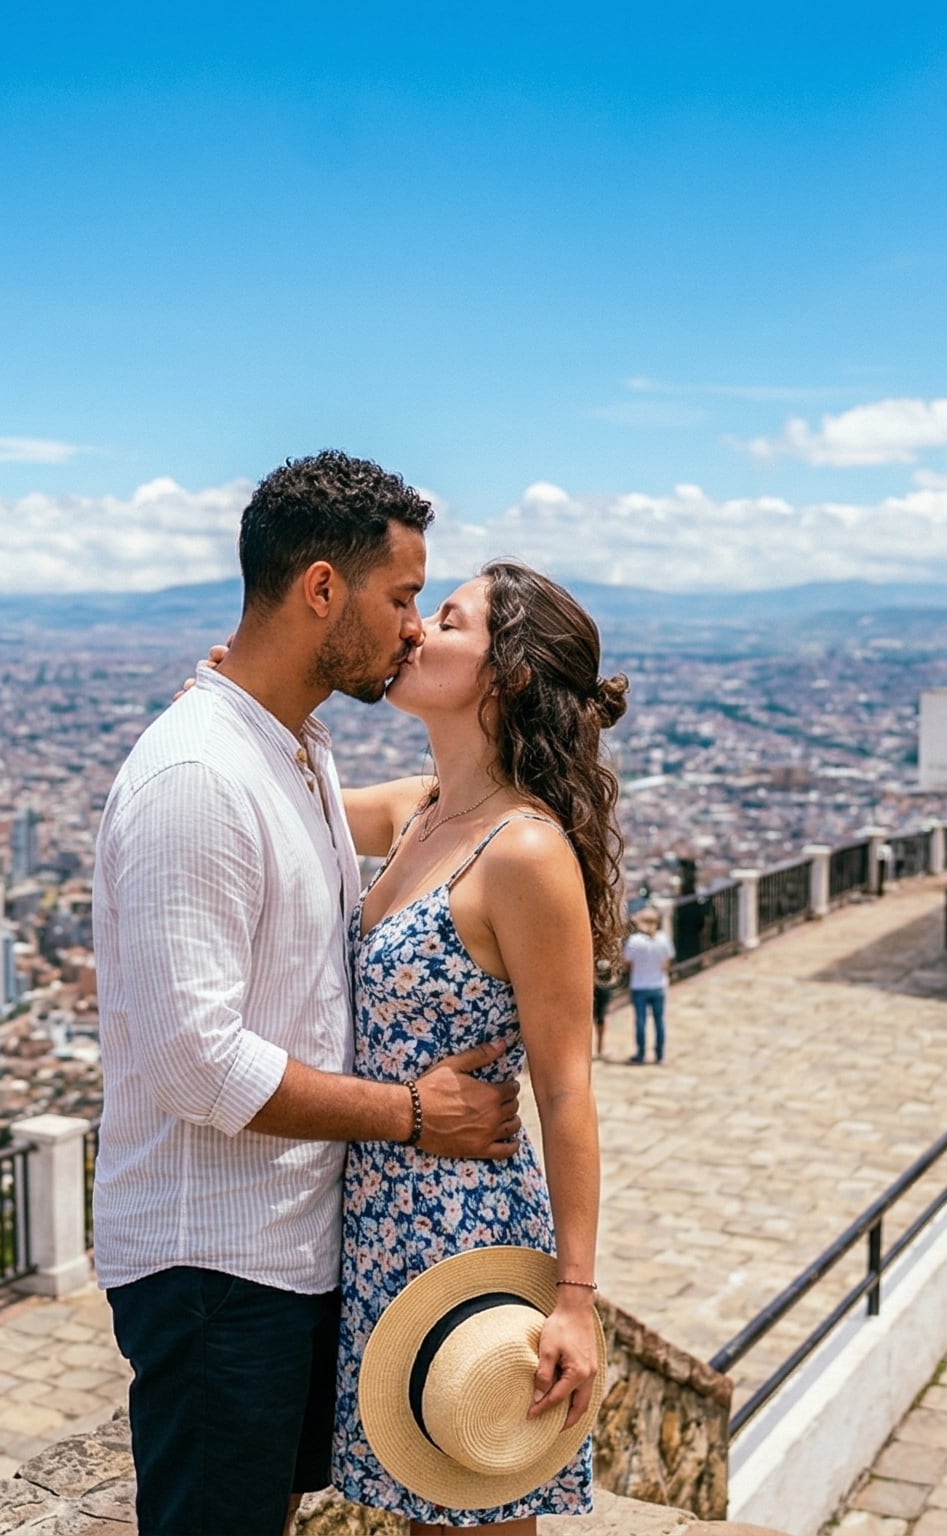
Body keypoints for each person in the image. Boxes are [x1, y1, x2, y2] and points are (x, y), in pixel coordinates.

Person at [94, 451, 524, 1536]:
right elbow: (196, 1064)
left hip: (277, 1255)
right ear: (321, 589)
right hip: (214, 1266)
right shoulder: (199, 777)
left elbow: (420, 807)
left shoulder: (289, 753)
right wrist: (415, 1116)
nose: (414, 627)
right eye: (399, 596)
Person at [325, 558, 624, 1531]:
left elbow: (567, 1091)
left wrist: (574, 1299)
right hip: (383, 1216)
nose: (415, 632)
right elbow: (288, 796)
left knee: (476, 1497)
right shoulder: (421, 811)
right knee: (422, 1506)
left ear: (508, 676)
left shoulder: (524, 853)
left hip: (464, 1222)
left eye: (446, 620)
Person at [621, 906, 671, 1065]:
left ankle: (641, 1054)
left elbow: (627, 964)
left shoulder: (635, 941)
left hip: (640, 985)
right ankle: (660, 1054)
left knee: (641, 1021)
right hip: (658, 985)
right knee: (659, 1021)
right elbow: (666, 964)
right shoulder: (663, 939)